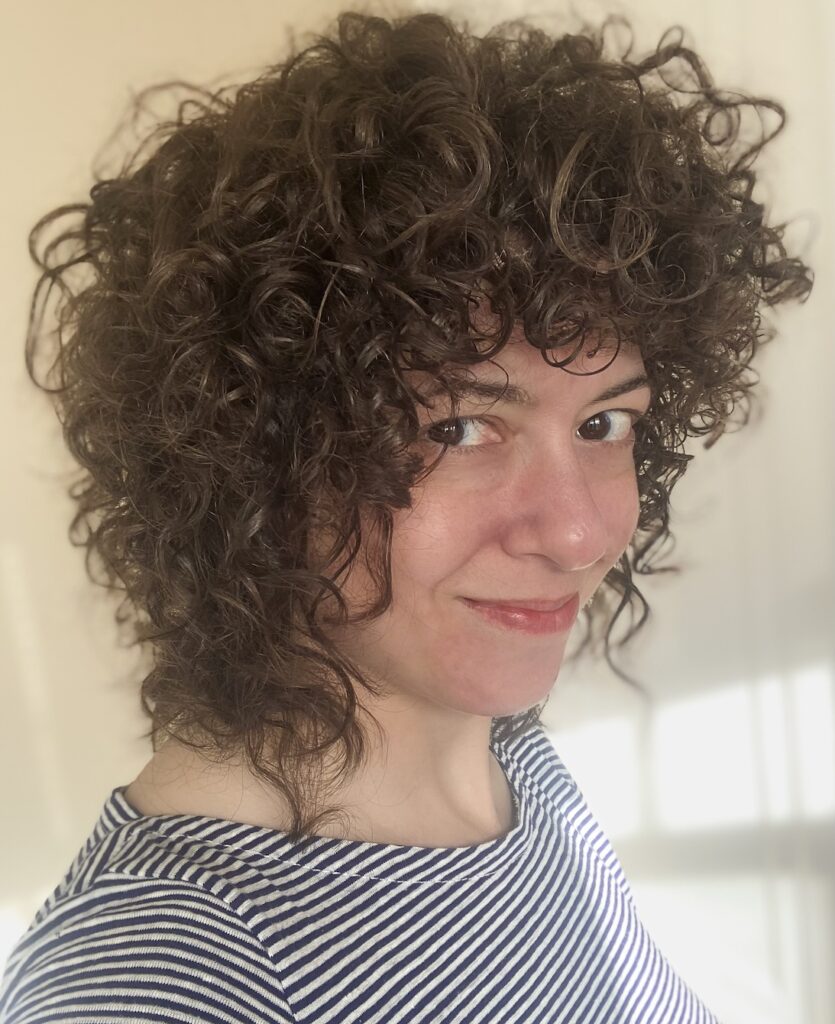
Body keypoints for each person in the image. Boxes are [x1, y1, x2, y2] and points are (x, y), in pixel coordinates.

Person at [0, 8, 812, 1023]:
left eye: (604, 422)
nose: (577, 534)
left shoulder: (501, 751)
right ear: (254, 453)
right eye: (461, 428)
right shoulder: (163, 979)